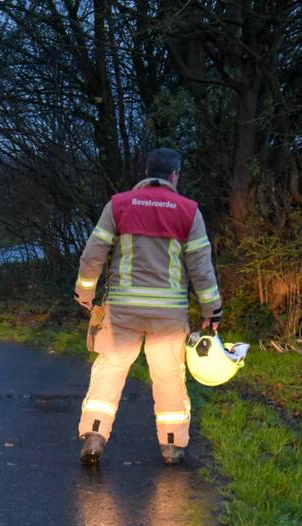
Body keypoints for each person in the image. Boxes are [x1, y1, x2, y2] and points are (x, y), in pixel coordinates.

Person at [74, 148, 222, 466]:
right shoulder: (188, 211)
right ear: (174, 175)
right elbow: (201, 265)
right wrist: (212, 309)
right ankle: (171, 446)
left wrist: (84, 292)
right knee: (168, 376)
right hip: (168, 315)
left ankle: (95, 435)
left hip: (123, 309)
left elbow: (93, 253)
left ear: (146, 172)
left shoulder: (120, 205)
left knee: (109, 370)